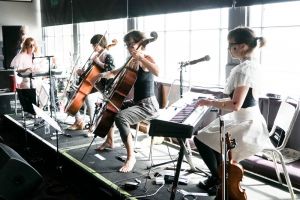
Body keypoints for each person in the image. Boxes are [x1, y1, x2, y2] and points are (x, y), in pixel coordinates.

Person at [193, 27, 272, 195]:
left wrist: (209, 102)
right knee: (209, 136)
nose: (229, 49)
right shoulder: (251, 65)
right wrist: (209, 102)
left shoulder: (244, 69)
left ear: (242, 46)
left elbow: (236, 104)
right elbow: (238, 101)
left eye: (231, 45)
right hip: (246, 116)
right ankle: (218, 177)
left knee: (200, 138)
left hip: (247, 123)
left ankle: (220, 180)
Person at [95, 30, 160, 173]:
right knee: (110, 106)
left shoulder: (146, 58)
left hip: (148, 105)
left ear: (140, 43)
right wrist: (102, 74)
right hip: (138, 103)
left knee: (120, 117)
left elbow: (157, 72)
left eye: (131, 44)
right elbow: (115, 72)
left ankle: (131, 157)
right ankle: (109, 140)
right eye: (127, 45)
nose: (129, 48)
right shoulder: (131, 60)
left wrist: (142, 58)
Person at [67, 34, 115, 136]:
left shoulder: (107, 55)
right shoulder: (95, 56)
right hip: (91, 85)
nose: (93, 47)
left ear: (100, 44)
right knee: (71, 93)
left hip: (101, 88)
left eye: (94, 45)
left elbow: (111, 70)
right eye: (93, 45)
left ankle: (93, 125)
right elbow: (90, 73)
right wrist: (82, 72)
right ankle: (79, 121)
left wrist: (98, 62)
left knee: (89, 98)